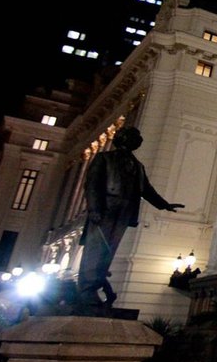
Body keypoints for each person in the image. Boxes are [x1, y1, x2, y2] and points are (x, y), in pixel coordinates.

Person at [78, 126, 184, 305]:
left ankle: (95, 287)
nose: (139, 140)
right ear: (123, 138)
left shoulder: (137, 166)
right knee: (95, 250)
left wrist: (164, 205)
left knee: (108, 251)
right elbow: (92, 185)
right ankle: (86, 290)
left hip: (124, 212)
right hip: (105, 210)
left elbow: (147, 190)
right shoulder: (105, 158)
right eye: (135, 137)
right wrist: (94, 209)